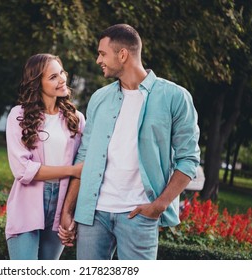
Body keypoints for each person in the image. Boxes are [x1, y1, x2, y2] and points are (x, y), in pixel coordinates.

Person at [58, 24, 200, 260]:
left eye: (102, 53)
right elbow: (84, 156)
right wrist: (68, 209)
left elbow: (189, 159)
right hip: (94, 215)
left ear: (122, 54)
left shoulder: (175, 97)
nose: (98, 60)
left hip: (139, 215)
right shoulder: (100, 99)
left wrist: (158, 206)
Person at [5, 53, 85, 260]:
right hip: (27, 202)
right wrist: (71, 170)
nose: (62, 80)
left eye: (61, 73)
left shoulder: (76, 119)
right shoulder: (18, 115)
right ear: (37, 84)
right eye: (52, 77)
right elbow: (23, 170)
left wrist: (70, 211)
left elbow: (83, 167)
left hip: (62, 202)